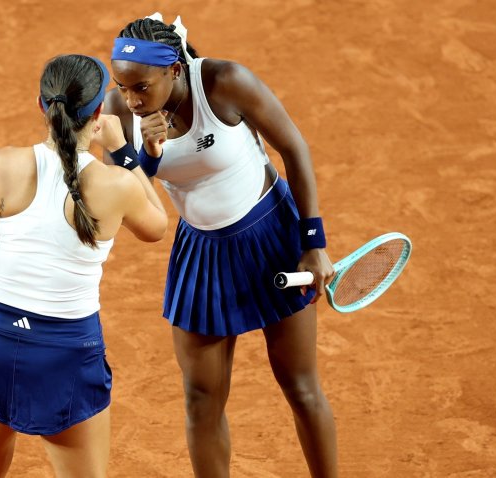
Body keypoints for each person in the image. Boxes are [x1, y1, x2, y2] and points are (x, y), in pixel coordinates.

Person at [102, 14, 339, 478]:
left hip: (272, 236)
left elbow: (295, 148)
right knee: (200, 397)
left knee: (300, 385)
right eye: (123, 87)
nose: (131, 99)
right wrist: (145, 155)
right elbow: (132, 191)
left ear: (173, 70)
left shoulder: (225, 82)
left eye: (141, 88)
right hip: (202, 255)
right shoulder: (118, 111)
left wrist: (314, 242)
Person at [0, 54, 167, 478]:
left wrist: (14, 250)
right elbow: (157, 225)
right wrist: (121, 149)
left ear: (42, 106)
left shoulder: (2, 163)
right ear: (99, 113)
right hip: (63, 355)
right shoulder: (116, 183)